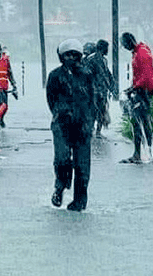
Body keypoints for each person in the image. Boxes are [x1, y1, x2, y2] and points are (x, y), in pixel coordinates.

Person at [46, 39, 95, 211]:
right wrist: (61, 113)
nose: (72, 58)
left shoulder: (87, 75)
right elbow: (50, 100)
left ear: (80, 56)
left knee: (82, 166)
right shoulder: (54, 76)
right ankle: (59, 187)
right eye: (68, 54)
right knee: (62, 159)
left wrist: (89, 122)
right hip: (61, 125)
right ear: (61, 57)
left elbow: (92, 100)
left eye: (75, 55)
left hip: (83, 126)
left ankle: (79, 201)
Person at [120, 32, 153, 163]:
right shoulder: (139, 51)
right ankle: (146, 152)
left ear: (129, 41)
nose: (124, 47)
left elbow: (146, 76)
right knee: (142, 120)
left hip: (144, 91)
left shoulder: (141, 53)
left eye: (124, 44)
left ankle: (141, 153)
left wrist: (134, 88)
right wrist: (133, 87)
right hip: (142, 90)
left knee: (138, 121)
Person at [87, 39, 115, 137]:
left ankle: (98, 131)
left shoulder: (104, 60)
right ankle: (91, 130)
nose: (108, 50)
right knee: (93, 112)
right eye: (107, 48)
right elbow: (87, 75)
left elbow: (107, 73)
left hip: (102, 91)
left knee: (102, 111)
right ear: (102, 48)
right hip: (94, 91)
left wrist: (111, 85)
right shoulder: (91, 60)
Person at [0, 43, 18, 119]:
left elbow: (10, 73)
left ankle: (0, 118)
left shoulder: (5, 60)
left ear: (0, 50)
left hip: (4, 88)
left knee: (4, 106)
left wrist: (14, 85)